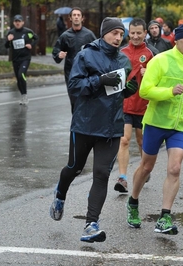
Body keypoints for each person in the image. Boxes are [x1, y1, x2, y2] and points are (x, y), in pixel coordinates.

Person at [49, 17, 138, 243]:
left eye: (121, 34)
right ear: (104, 33)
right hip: (85, 125)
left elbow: (117, 92)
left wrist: (129, 89)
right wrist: (100, 80)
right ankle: (60, 194)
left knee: (101, 174)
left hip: (111, 127)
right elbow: (75, 86)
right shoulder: (85, 55)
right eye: (114, 33)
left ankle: (91, 224)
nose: (119, 38)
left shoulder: (124, 61)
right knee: (74, 168)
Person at [126, 24, 183, 234]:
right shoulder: (160, 60)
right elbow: (145, 90)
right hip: (155, 123)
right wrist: (170, 91)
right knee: (147, 166)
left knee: (175, 168)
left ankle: (165, 217)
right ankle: (133, 202)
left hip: (179, 126)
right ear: (176, 41)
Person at [114, 18, 159, 193]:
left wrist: (149, 74)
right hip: (124, 104)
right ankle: (122, 178)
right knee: (124, 140)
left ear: (145, 33)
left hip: (144, 105)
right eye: (132, 33)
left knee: (142, 142)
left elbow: (161, 78)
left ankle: (144, 170)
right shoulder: (121, 52)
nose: (135, 36)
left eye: (139, 33)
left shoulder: (152, 53)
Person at [52, 7, 97, 113]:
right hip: (71, 72)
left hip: (86, 71)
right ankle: (75, 127)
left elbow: (98, 50)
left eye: (78, 15)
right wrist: (59, 54)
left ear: (82, 18)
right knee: (74, 99)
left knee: (86, 98)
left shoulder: (89, 35)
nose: (76, 17)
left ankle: (86, 125)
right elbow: (56, 50)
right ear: (70, 18)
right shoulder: (65, 36)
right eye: (74, 15)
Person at [5, 14, 39, 105]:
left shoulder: (28, 32)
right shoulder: (11, 33)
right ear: (13, 23)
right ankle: (23, 95)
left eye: (19, 21)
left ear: (23, 22)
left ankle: (25, 96)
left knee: (21, 74)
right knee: (18, 79)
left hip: (25, 58)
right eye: (16, 21)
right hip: (15, 59)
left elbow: (36, 38)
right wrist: (8, 40)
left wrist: (31, 45)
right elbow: (6, 46)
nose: (17, 23)